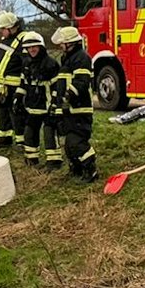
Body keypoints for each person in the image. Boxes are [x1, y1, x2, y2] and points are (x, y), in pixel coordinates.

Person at [50, 26, 99, 182]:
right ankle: (77, 168)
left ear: (70, 43)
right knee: (69, 145)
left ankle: (91, 169)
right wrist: (56, 102)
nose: (60, 46)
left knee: (76, 142)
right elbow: (61, 83)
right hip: (68, 109)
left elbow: (81, 82)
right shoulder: (68, 58)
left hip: (80, 109)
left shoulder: (81, 58)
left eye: (62, 44)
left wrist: (68, 95)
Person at [0, 11, 33, 152]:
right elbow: (4, 56)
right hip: (0, 83)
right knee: (1, 110)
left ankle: (21, 141)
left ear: (12, 28)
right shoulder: (6, 39)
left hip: (13, 84)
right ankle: (4, 137)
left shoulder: (24, 40)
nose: (1, 31)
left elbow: (26, 63)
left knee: (16, 111)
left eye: (3, 28)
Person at [18, 31, 60, 168]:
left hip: (47, 106)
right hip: (32, 106)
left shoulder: (51, 64)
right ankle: (31, 161)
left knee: (49, 134)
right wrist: (17, 98)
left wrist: (54, 104)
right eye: (29, 48)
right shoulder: (27, 63)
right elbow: (23, 83)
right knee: (29, 133)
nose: (31, 50)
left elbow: (57, 87)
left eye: (34, 47)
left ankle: (54, 162)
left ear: (41, 47)